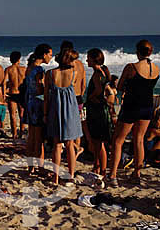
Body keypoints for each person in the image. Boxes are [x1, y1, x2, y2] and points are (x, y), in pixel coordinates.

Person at [109, 40, 159, 187]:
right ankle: (136, 174)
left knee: (118, 140)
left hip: (131, 106)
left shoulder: (131, 67)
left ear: (138, 51)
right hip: (147, 106)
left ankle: (112, 175)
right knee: (139, 139)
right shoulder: (156, 69)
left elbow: (119, 86)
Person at [44, 48, 83, 184]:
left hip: (55, 109)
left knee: (57, 145)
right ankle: (70, 175)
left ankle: (55, 177)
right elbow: (76, 92)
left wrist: (45, 113)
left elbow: (46, 97)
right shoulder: (74, 73)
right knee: (70, 144)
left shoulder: (49, 74)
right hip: (70, 110)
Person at [85, 48, 113, 177]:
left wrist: (90, 97)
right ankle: (98, 167)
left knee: (98, 142)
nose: (86, 60)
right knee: (99, 142)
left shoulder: (97, 74)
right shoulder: (103, 71)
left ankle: (101, 169)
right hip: (101, 109)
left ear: (93, 59)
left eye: (88, 58)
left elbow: (98, 90)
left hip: (96, 110)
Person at [25, 44, 52, 174]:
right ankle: (40, 167)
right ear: (44, 55)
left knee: (31, 137)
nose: (51, 57)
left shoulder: (29, 68)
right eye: (50, 54)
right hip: (38, 103)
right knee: (39, 138)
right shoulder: (39, 70)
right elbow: (40, 88)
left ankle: (30, 167)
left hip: (29, 102)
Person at [59, 41, 87, 160]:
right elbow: (84, 83)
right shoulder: (80, 64)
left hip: (69, 97)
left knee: (67, 125)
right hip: (79, 96)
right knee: (77, 126)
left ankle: (73, 148)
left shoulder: (66, 64)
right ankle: (76, 150)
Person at [4, 51, 27, 139]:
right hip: (21, 93)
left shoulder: (8, 69)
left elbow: (4, 83)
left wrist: (3, 92)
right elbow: (26, 82)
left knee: (12, 115)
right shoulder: (24, 69)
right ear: (19, 59)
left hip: (12, 93)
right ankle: (21, 132)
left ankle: (14, 134)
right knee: (21, 115)